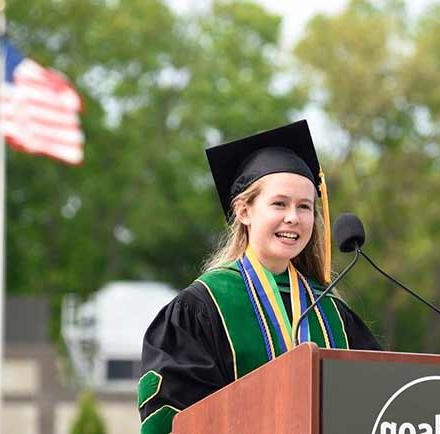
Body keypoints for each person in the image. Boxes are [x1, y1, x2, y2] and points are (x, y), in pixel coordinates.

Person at [137, 120, 381, 434]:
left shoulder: (331, 311)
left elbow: (378, 404)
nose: (293, 217)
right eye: (279, 204)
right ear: (244, 212)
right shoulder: (203, 307)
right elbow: (173, 415)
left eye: (305, 207)